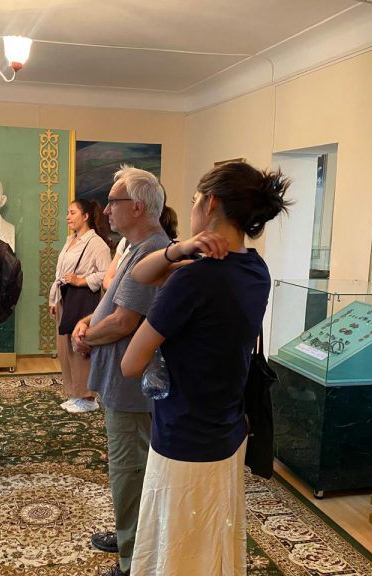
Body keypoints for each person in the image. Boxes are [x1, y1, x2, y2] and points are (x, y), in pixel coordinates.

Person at [121, 161, 290, 575]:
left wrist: (178, 271)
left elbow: (130, 364)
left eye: (195, 199)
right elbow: (141, 273)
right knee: (211, 540)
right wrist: (180, 249)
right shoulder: (256, 270)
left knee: (178, 548)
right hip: (227, 429)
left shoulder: (193, 281)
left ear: (210, 203)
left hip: (184, 435)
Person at [71, 165, 169, 576]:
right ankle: (129, 536)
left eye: (114, 202)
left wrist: (87, 336)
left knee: (130, 472)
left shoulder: (151, 251)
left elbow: (124, 322)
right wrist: (88, 322)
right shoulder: (137, 247)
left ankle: (132, 561)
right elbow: (114, 306)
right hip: (123, 382)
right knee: (128, 470)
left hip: (132, 388)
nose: (107, 210)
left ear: (138, 207)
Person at [49, 199, 111, 413]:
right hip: (65, 298)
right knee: (65, 348)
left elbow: (106, 274)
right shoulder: (71, 240)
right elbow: (60, 273)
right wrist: (54, 300)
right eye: (68, 212)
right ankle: (75, 393)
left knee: (80, 347)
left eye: (72, 212)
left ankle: (88, 396)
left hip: (82, 300)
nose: (68, 217)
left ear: (86, 216)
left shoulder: (96, 244)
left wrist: (80, 281)